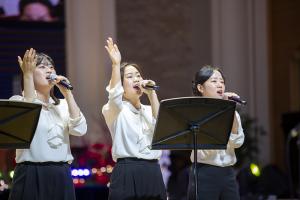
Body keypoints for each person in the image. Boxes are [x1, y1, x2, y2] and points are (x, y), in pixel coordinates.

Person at [8, 48, 87, 200]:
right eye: (42, 66)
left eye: (51, 66)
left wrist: (68, 94)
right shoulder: (17, 101)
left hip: (61, 173)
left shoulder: (63, 105)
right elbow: (29, 116)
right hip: (30, 173)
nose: (49, 70)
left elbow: (80, 129)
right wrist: (28, 75)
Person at [102, 37, 167, 200]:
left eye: (138, 75)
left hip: (153, 171)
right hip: (127, 172)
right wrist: (116, 65)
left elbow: (162, 130)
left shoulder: (149, 109)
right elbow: (114, 94)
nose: (137, 79)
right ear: (121, 85)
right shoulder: (114, 109)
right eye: (130, 76)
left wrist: (152, 94)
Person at [188, 65, 245, 200]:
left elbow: (237, 142)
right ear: (200, 88)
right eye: (214, 81)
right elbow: (208, 146)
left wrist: (229, 109)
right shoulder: (195, 112)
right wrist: (222, 111)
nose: (220, 85)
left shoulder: (232, 112)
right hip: (205, 172)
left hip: (228, 173)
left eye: (222, 82)